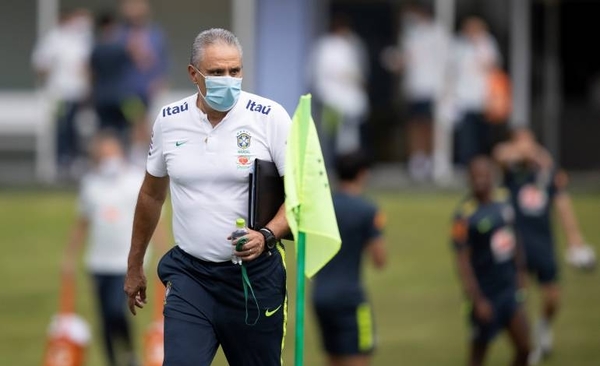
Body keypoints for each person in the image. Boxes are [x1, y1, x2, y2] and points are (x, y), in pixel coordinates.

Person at [124, 28, 292, 366]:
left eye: (235, 71)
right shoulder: (169, 121)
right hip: (191, 277)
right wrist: (134, 264)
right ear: (193, 74)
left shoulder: (270, 117)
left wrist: (267, 234)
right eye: (216, 72)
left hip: (253, 279)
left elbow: (302, 197)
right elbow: (151, 195)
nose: (227, 80)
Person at [62, 131, 167, 366]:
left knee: (115, 309)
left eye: (111, 151)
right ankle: (112, 359)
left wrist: (162, 249)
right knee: (104, 318)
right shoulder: (91, 184)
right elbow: (82, 223)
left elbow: (152, 216)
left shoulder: (134, 180)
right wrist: (70, 255)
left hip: (126, 260)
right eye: (103, 152)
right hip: (99, 261)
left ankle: (129, 354)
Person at [492, 128, 596, 364]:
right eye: (521, 143)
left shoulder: (546, 174)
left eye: (530, 142)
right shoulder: (511, 171)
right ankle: (528, 347)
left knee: (552, 298)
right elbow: (499, 154)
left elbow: (563, 205)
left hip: (543, 243)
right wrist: (524, 151)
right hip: (516, 245)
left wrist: (574, 239)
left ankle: (544, 327)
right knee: (520, 297)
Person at [451, 156, 530, 366]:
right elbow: (462, 262)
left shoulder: (504, 201)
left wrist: (520, 273)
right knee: (478, 356)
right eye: (474, 175)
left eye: (483, 174)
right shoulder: (464, 216)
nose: (479, 179)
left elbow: (515, 239)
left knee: (525, 348)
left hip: (508, 289)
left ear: (492, 176)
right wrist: (477, 300)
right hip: (486, 293)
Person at [311, 151, 386, 366]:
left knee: (333, 358)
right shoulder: (368, 209)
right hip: (350, 298)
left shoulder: (321, 206)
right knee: (359, 357)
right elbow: (380, 260)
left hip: (321, 295)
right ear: (363, 174)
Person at [382, 4, 447, 182]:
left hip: (432, 88)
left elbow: (444, 62)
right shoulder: (410, 35)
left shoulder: (437, 32)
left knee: (430, 125)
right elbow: (406, 60)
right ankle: (418, 161)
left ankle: (433, 160)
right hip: (414, 88)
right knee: (414, 125)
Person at [31, 8, 93, 179]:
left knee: (76, 126)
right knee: (62, 125)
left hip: (78, 92)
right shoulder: (54, 39)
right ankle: (62, 160)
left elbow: (86, 66)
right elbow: (40, 63)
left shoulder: (81, 40)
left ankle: (74, 159)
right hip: (59, 93)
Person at [308, 14, 370, 168]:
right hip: (330, 101)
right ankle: (328, 167)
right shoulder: (325, 47)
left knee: (349, 138)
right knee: (330, 136)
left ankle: (349, 167)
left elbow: (358, 73)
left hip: (348, 101)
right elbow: (321, 73)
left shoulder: (351, 45)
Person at [118, 0, 169, 165]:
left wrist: (160, 80)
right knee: (136, 121)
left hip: (148, 89)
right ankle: (135, 159)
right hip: (127, 90)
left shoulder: (155, 34)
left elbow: (162, 61)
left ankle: (143, 158)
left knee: (147, 124)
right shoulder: (120, 34)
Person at [451, 17, 501, 167]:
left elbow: (492, 65)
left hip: (484, 99)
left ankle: (483, 163)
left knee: (482, 134)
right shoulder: (458, 45)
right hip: (464, 99)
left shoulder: (487, 43)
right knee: (466, 135)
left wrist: (478, 45)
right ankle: (466, 163)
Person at [90, 12, 135, 147]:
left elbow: (92, 73)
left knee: (104, 130)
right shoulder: (122, 48)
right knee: (125, 128)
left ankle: (104, 156)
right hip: (122, 95)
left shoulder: (96, 48)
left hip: (101, 95)